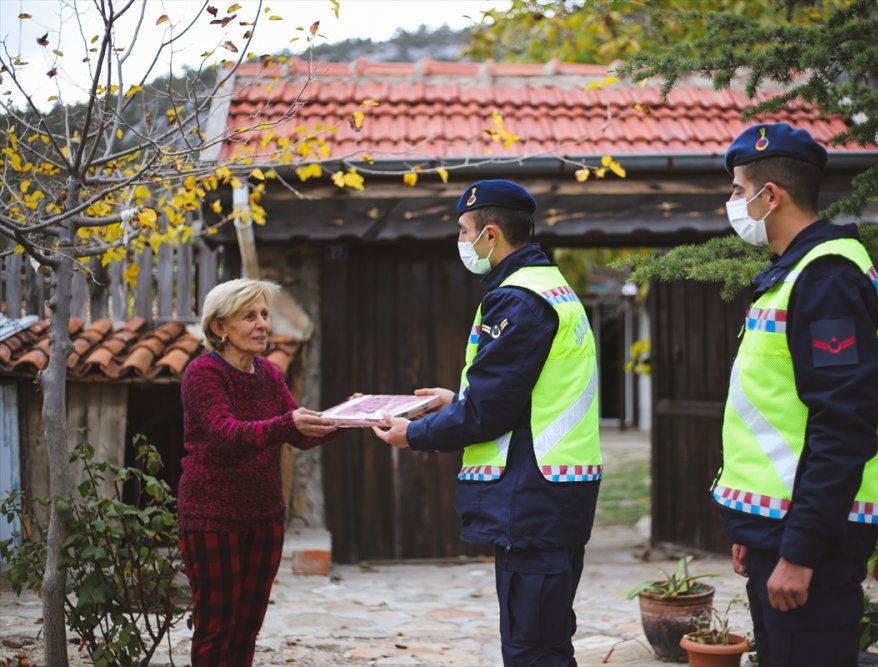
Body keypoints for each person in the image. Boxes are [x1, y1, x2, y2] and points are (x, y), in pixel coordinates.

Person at [371, 179, 602, 666]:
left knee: (531, 648)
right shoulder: (549, 288)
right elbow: (525, 393)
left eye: (463, 230)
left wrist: (413, 433)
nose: (460, 241)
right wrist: (455, 398)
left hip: (533, 497)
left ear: (490, 234)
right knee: (548, 640)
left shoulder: (518, 299)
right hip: (554, 492)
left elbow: (488, 411)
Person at [712, 123, 878, 666]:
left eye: (738, 191)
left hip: (812, 542)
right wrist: (756, 528)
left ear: (771, 196)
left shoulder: (827, 278)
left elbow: (843, 424)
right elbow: (780, 411)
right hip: (783, 530)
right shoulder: (794, 274)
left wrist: (799, 550)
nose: (732, 203)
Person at [178, 278, 340, 667]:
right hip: (212, 519)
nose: (262, 324)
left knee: (247, 626)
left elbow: (297, 435)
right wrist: (290, 423)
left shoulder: (268, 373)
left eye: (265, 314)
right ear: (220, 327)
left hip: (265, 518)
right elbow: (226, 434)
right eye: (249, 316)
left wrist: (345, 420)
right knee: (216, 628)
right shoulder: (203, 374)